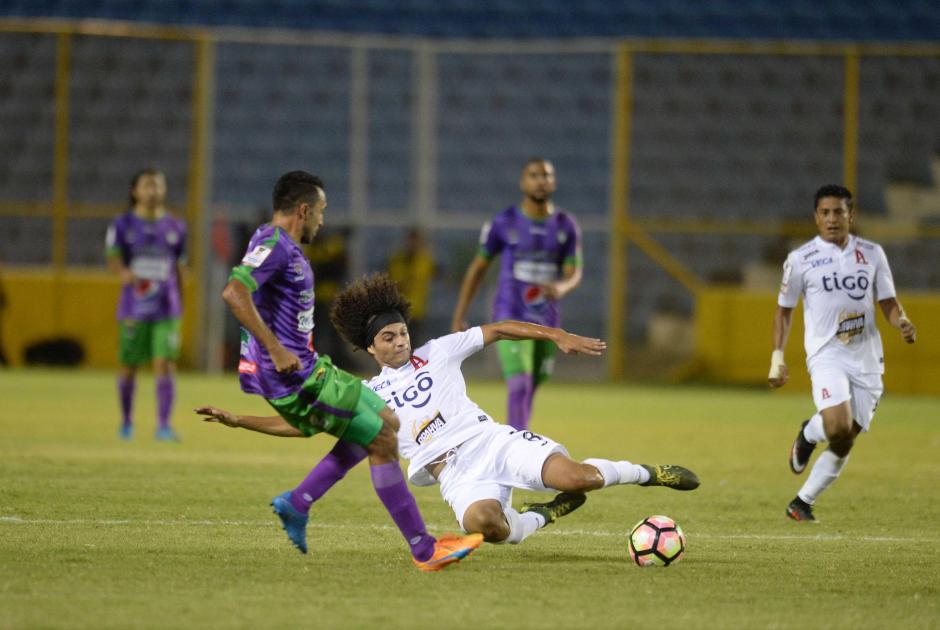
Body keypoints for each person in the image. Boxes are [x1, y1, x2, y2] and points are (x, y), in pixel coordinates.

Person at [203, 170, 481, 571]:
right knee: (383, 438)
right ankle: (425, 549)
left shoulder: (282, 247)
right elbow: (234, 291)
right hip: (295, 377)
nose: (322, 220)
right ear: (303, 209)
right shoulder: (273, 244)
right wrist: (275, 349)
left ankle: (298, 502)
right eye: (321, 211)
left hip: (316, 369)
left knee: (385, 418)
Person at [330, 273, 699, 544]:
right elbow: (317, 426)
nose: (400, 342)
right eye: (388, 337)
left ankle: (646, 473)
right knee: (486, 527)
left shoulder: (437, 351)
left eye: (403, 332)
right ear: (370, 349)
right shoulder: (367, 394)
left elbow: (499, 330)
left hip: (491, 442)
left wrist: (556, 335)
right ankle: (541, 516)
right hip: (457, 476)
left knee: (580, 479)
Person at [768, 185, 917, 522]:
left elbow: (888, 301)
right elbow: (784, 310)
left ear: (852, 215)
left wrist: (902, 321)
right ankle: (809, 433)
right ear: (816, 217)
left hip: (866, 358)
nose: (832, 219)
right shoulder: (800, 259)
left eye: (839, 212)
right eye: (825, 213)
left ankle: (802, 503)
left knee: (846, 438)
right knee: (836, 425)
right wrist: (778, 358)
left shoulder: (873, 254)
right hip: (827, 354)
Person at [451, 157, 582, 432]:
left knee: (533, 383)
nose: (541, 180)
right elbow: (477, 269)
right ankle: (518, 448)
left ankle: (521, 435)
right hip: (510, 313)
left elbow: (574, 272)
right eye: (534, 175)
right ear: (523, 182)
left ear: (553, 181)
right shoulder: (504, 222)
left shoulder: (565, 225)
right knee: (519, 383)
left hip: (547, 318)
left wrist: (562, 287)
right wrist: (460, 315)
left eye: (546, 175)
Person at [106, 169, 186, 441]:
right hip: (134, 307)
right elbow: (114, 258)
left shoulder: (176, 226)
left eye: (158, 186)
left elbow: (179, 267)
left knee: (165, 364)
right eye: (147, 186)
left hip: (167, 308)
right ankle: (126, 422)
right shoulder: (122, 224)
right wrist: (123, 273)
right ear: (135, 191)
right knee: (129, 365)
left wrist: (181, 300)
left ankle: (164, 425)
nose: (153, 191)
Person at [387, 228, 434, 343]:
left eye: (415, 241)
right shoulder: (396, 261)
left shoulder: (425, 261)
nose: (412, 245)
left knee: (413, 343)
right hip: (398, 310)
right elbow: (391, 282)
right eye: (410, 241)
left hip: (416, 310)